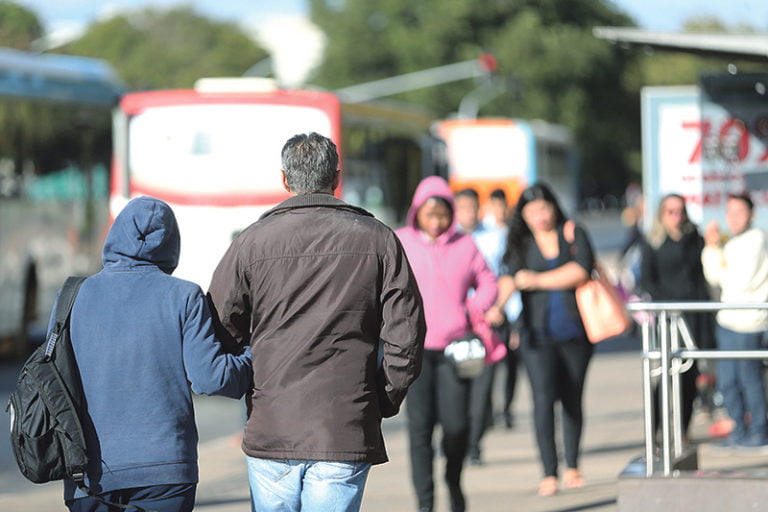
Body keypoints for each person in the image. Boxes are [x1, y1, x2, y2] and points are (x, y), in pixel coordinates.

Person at [207, 132, 426, 512]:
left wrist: (251, 380)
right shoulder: (379, 239)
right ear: (336, 178)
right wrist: (383, 397)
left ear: (285, 180)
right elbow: (406, 333)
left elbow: (219, 326)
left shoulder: (252, 241)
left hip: (272, 423)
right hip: (345, 421)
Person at [61, 196, 253, 512]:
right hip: (165, 472)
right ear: (171, 243)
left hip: (87, 474)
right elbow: (211, 379)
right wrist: (251, 357)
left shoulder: (72, 296)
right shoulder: (184, 296)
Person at [397, 177, 498, 512]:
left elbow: (488, 281)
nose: (437, 222)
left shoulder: (464, 244)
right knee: (420, 430)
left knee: (457, 426)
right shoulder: (401, 242)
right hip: (415, 352)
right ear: (417, 213)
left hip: (455, 350)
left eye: (443, 215)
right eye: (430, 215)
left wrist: (474, 307)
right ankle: (425, 503)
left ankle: (453, 482)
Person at [489, 182, 595, 497]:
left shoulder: (573, 232)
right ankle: (549, 471)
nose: (540, 216)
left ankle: (573, 464)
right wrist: (496, 307)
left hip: (576, 333)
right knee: (542, 400)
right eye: (532, 211)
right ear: (522, 214)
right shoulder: (520, 242)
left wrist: (535, 281)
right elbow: (509, 277)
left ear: (554, 207)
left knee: (573, 398)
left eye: (544, 208)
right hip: (536, 335)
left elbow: (582, 271)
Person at [640, 193, 715, 440]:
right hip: (669, 317)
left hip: (695, 313)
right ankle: (656, 430)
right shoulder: (652, 242)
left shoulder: (694, 238)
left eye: (680, 211)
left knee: (690, 375)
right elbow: (647, 280)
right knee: (665, 375)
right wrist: (667, 303)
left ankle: (683, 429)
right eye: (670, 212)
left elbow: (704, 272)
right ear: (662, 215)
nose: (676, 217)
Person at [702, 193, 768, 448]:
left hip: (750, 322)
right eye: (729, 212)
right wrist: (711, 247)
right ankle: (739, 429)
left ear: (751, 214)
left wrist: (720, 260)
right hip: (727, 320)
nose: (733, 218)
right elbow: (716, 276)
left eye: (739, 212)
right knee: (728, 382)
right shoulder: (730, 243)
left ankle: (759, 431)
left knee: (749, 381)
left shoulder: (757, 240)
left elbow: (740, 280)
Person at [454, 187, 510, 465]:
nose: (468, 213)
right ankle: (456, 439)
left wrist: (498, 308)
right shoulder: (446, 240)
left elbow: (503, 278)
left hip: (487, 325)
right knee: (456, 390)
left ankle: (474, 445)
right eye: (462, 208)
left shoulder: (495, 238)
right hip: (455, 328)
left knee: (481, 389)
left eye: (472, 208)